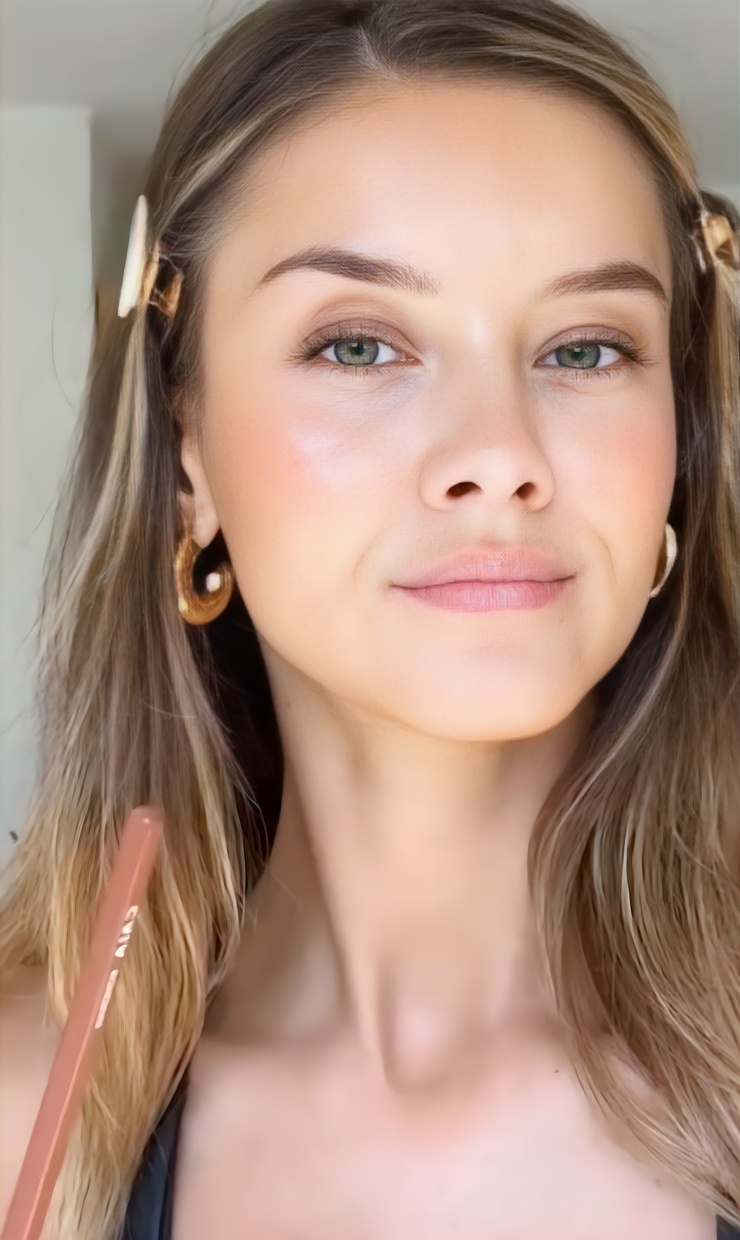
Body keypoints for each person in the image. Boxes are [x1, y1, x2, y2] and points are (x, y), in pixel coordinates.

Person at [0, 0, 739, 1236]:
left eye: (584, 349)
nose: (499, 455)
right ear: (186, 456)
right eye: (357, 347)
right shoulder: (33, 1119)